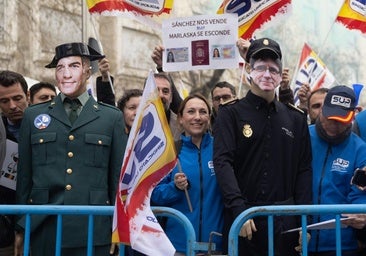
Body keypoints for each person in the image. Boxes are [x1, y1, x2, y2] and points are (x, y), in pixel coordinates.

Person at [15, 42, 127, 256]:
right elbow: (24, 176)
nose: (66, 74)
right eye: (60, 67)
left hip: (93, 228)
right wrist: (21, 226)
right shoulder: (33, 116)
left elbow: (116, 178)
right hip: (43, 226)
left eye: (74, 66)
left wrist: (117, 227)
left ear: (87, 71)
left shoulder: (110, 117)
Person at [213, 38, 312, 255]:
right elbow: (223, 163)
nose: (267, 74)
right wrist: (238, 209)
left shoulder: (295, 118)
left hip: (286, 222)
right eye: (260, 67)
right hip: (245, 220)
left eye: (273, 68)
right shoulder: (230, 113)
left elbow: (303, 171)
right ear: (248, 69)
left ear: (280, 74)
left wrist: (306, 221)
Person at [151, 93, 223, 255]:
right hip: (179, 246)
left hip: (216, 245)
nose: (197, 117)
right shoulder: (169, 152)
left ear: (209, 118)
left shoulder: (221, 149)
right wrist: (174, 187)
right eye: (191, 111)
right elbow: (154, 195)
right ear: (180, 119)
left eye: (203, 112)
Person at [307, 85, 366, 255]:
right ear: (322, 111)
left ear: (352, 115)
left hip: (341, 245)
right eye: (330, 117)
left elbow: (360, 194)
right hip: (300, 240)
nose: (334, 124)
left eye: (341, 120)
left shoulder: (361, 150)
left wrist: (361, 212)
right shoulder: (302, 138)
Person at [0, 70, 29, 256]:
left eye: (17, 98)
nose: (12, 106)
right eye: (4, 101)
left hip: (37, 220)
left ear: (27, 96)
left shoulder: (47, 128)